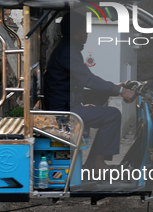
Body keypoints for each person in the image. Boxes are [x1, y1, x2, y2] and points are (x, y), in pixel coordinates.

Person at [43, 11, 136, 170]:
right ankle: (97, 163)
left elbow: (82, 79)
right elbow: (88, 79)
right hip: (63, 111)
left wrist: (116, 86)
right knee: (112, 115)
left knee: (104, 113)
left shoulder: (67, 49)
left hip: (66, 105)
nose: (87, 35)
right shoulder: (68, 51)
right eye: (85, 31)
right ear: (77, 31)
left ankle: (94, 162)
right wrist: (121, 91)